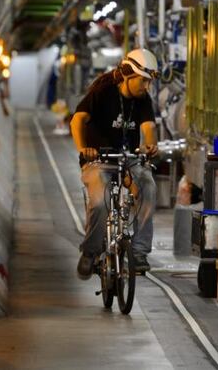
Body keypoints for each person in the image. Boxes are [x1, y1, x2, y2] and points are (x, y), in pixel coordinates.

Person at [70, 49, 159, 279]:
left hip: (127, 158)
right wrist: (83, 149)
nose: (146, 87)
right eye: (143, 81)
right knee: (100, 203)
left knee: (147, 186)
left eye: (149, 83)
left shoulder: (143, 100)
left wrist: (150, 146)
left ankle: (138, 253)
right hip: (98, 160)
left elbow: (149, 127)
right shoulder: (102, 92)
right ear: (129, 75)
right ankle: (90, 252)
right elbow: (77, 120)